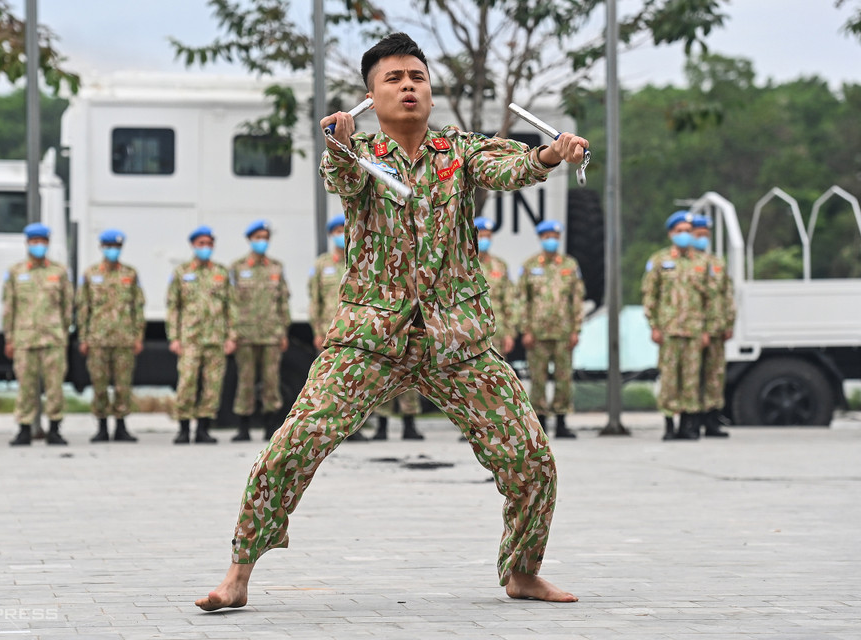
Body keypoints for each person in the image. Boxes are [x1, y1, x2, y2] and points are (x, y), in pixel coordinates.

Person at [196, 32, 585, 611]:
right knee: (292, 445)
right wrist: (338, 144)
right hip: (370, 339)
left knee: (532, 457)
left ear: (430, 92)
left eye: (417, 77)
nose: (408, 87)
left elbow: (510, 166)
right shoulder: (359, 155)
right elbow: (342, 178)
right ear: (370, 96)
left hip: (457, 338)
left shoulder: (459, 151)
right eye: (393, 79)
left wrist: (551, 156)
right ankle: (238, 573)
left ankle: (523, 572)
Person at [641, 211, 712, 441]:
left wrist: (707, 330)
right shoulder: (659, 261)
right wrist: (654, 326)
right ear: (671, 234)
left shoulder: (702, 263)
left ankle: (689, 425)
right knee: (670, 379)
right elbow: (650, 295)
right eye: (680, 231)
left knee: (691, 379)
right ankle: (669, 425)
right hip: (669, 330)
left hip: (694, 330)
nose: (684, 235)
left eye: (688, 231)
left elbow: (710, 300)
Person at [2, 223, 73, 446]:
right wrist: (9, 338)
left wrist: (63, 332)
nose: (38, 245)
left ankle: (55, 429)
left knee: (54, 386)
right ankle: (24, 430)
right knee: (26, 387)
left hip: (53, 339)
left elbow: (67, 306)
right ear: (27, 243)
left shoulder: (59, 272)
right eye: (34, 241)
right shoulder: (16, 272)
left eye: (42, 241)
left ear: (48, 243)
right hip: (24, 340)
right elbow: (9, 308)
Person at [166, 225, 237, 444]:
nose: (205, 247)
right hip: (190, 339)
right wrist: (174, 337)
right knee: (187, 383)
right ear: (193, 245)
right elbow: (173, 307)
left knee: (212, 385)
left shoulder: (221, 272)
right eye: (201, 243)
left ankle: (203, 429)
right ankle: (184, 429)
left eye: (209, 243)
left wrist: (231, 336)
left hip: (215, 339)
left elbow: (231, 306)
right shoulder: (181, 272)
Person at [517, 221, 585, 439]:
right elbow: (522, 300)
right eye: (547, 236)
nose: (551, 240)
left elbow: (577, 300)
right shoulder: (530, 266)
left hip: (563, 332)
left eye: (554, 236)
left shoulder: (570, 265)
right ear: (540, 238)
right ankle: (540, 422)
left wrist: (576, 329)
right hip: (537, 333)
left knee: (564, 379)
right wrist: (525, 330)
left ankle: (562, 421)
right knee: (538, 378)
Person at [77, 229, 145, 443]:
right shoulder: (90, 274)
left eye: (116, 247)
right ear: (101, 248)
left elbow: (138, 307)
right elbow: (83, 308)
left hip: (124, 339)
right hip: (97, 340)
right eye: (108, 246)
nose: (112, 250)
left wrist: (138, 336)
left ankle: (121, 426)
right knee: (99, 385)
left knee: (123, 386)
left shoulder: (130, 274)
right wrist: (83, 338)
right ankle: (102, 427)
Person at [229, 220, 290, 441]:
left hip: (271, 334)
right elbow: (231, 303)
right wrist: (232, 332)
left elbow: (283, 301)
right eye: (257, 238)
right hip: (245, 335)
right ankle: (243, 427)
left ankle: (270, 426)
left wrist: (283, 331)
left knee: (271, 381)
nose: (261, 241)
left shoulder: (276, 267)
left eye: (265, 238)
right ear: (249, 240)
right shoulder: (237, 268)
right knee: (245, 381)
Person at [308, 214, 367, 442]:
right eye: (336, 232)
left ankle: (354, 428)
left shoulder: (360, 259)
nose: (340, 235)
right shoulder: (321, 265)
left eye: (343, 230)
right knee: (328, 382)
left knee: (355, 382)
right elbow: (315, 301)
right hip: (330, 332)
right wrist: (316, 331)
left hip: (355, 331)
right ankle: (325, 428)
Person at [692, 215, 733, 438]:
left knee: (714, 376)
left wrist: (729, 322)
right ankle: (692, 420)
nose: (703, 239)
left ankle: (712, 419)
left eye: (705, 235)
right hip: (693, 330)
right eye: (699, 234)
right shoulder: (688, 264)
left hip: (717, 329)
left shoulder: (716, 263)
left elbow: (727, 295)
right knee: (692, 376)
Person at [474, 216, 518, 357]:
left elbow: (509, 301)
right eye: (481, 235)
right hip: (470, 332)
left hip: (497, 333)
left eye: (488, 236)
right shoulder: (462, 264)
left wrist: (509, 333)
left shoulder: (500, 265)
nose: (485, 239)